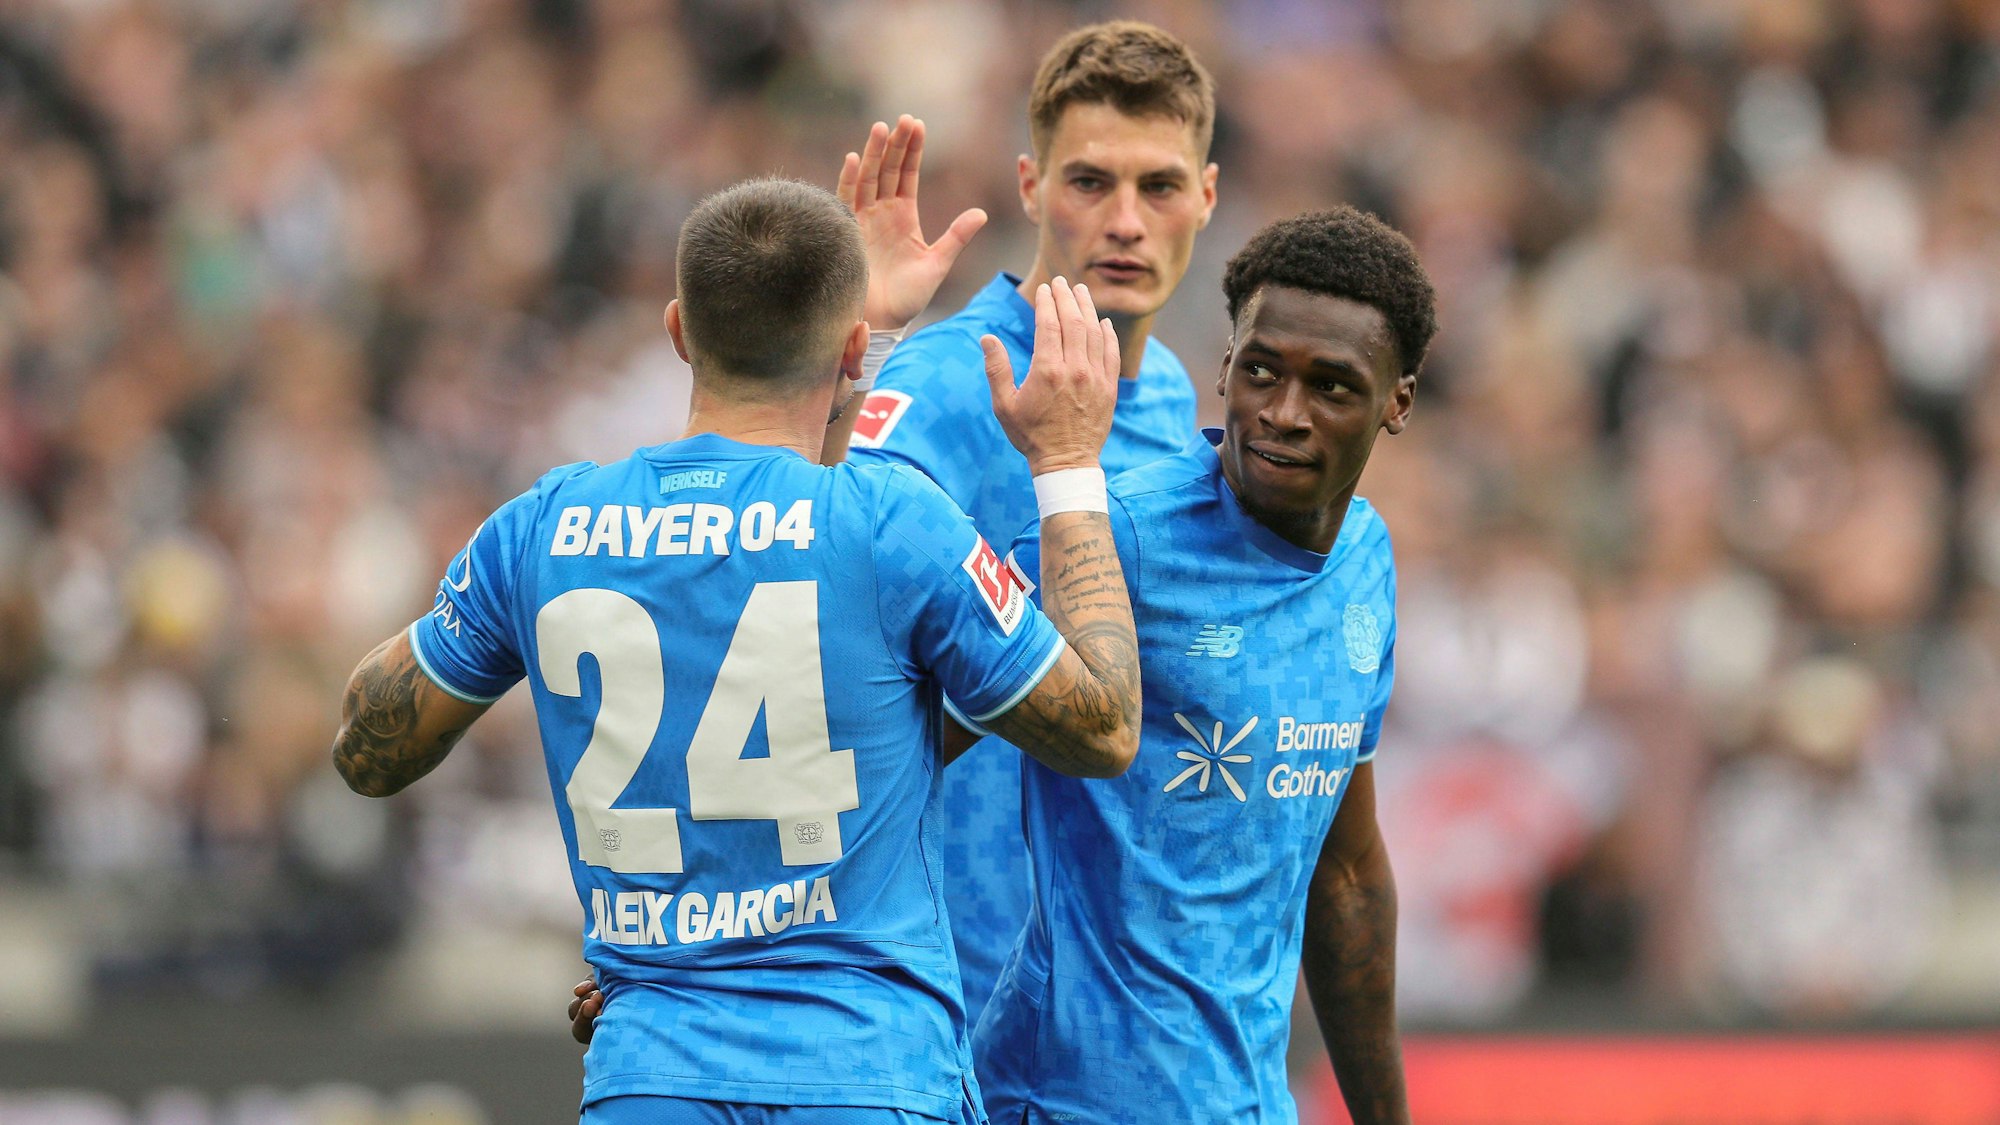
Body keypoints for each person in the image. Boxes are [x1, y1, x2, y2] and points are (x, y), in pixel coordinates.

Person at [331, 176, 1145, 1123]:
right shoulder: (891, 526)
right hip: (867, 1074)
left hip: (655, 1078)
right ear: (848, 348)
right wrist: (1070, 464)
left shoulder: (543, 528)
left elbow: (367, 748)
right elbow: (1105, 724)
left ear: (678, 330)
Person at [966, 207, 1434, 1125]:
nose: (1283, 414)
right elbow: (896, 754)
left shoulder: (1365, 562)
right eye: (1261, 371)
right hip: (1063, 1100)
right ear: (1225, 369)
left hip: (1245, 1102)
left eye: (1333, 387)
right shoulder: (1112, 540)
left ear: (1397, 404)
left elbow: (1343, 872)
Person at [832, 20, 1219, 1024]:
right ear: (1029, 187)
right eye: (1090, 183)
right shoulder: (951, 384)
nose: (1126, 221)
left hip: (1107, 996)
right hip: (955, 988)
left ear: (1206, 198)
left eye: (1160, 187)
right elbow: (803, 588)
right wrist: (859, 348)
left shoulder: (1175, 398)